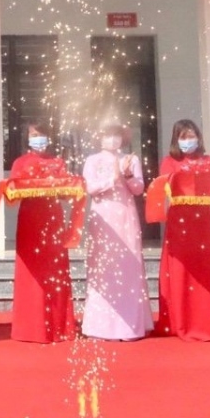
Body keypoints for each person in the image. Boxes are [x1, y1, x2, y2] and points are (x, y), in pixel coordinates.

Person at [154, 119, 210, 342]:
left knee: (205, 269)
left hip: (204, 221)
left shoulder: (209, 161)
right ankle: (181, 322)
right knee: (181, 270)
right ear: (176, 140)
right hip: (181, 222)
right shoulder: (169, 162)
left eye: (192, 136)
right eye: (183, 137)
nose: (189, 141)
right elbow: (168, 187)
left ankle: (207, 322)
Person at [81, 121, 152, 341]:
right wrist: (113, 177)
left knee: (128, 266)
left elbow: (139, 189)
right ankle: (100, 326)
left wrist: (129, 176)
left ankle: (129, 325)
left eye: (116, 134)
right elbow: (91, 188)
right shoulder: (92, 160)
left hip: (126, 216)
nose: (112, 139)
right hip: (102, 217)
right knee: (103, 268)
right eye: (107, 134)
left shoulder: (130, 159)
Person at [8, 123, 76, 344]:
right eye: (34, 135)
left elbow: (67, 195)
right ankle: (30, 328)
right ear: (27, 138)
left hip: (53, 219)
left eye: (42, 135)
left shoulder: (58, 162)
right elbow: (13, 194)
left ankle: (58, 326)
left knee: (54, 271)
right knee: (31, 272)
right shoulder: (20, 163)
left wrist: (72, 184)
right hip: (30, 221)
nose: (38, 139)